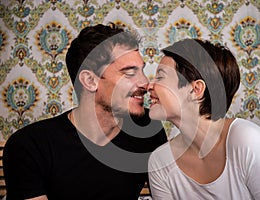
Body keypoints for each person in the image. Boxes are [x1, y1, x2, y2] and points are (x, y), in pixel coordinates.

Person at [3, 23, 167, 200]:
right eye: (129, 73)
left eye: (141, 70)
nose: (145, 83)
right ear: (89, 80)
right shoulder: (30, 145)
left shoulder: (148, 130)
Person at [147, 38, 260, 199]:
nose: (149, 86)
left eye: (160, 77)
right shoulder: (160, 162)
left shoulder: (248, 140)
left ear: (196, 89)